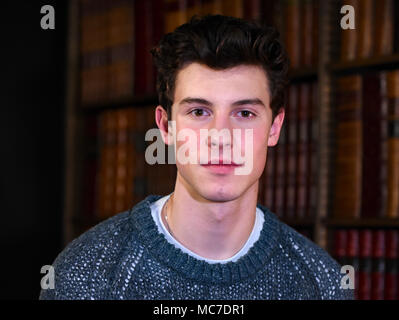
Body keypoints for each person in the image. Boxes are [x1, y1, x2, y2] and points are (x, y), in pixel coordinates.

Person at [40, 14, 353, 300]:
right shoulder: (85, 275)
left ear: (274, 127)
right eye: (199, 111)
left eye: (244, 113)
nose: (220, 137)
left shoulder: (324, 284)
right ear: (166, 127)